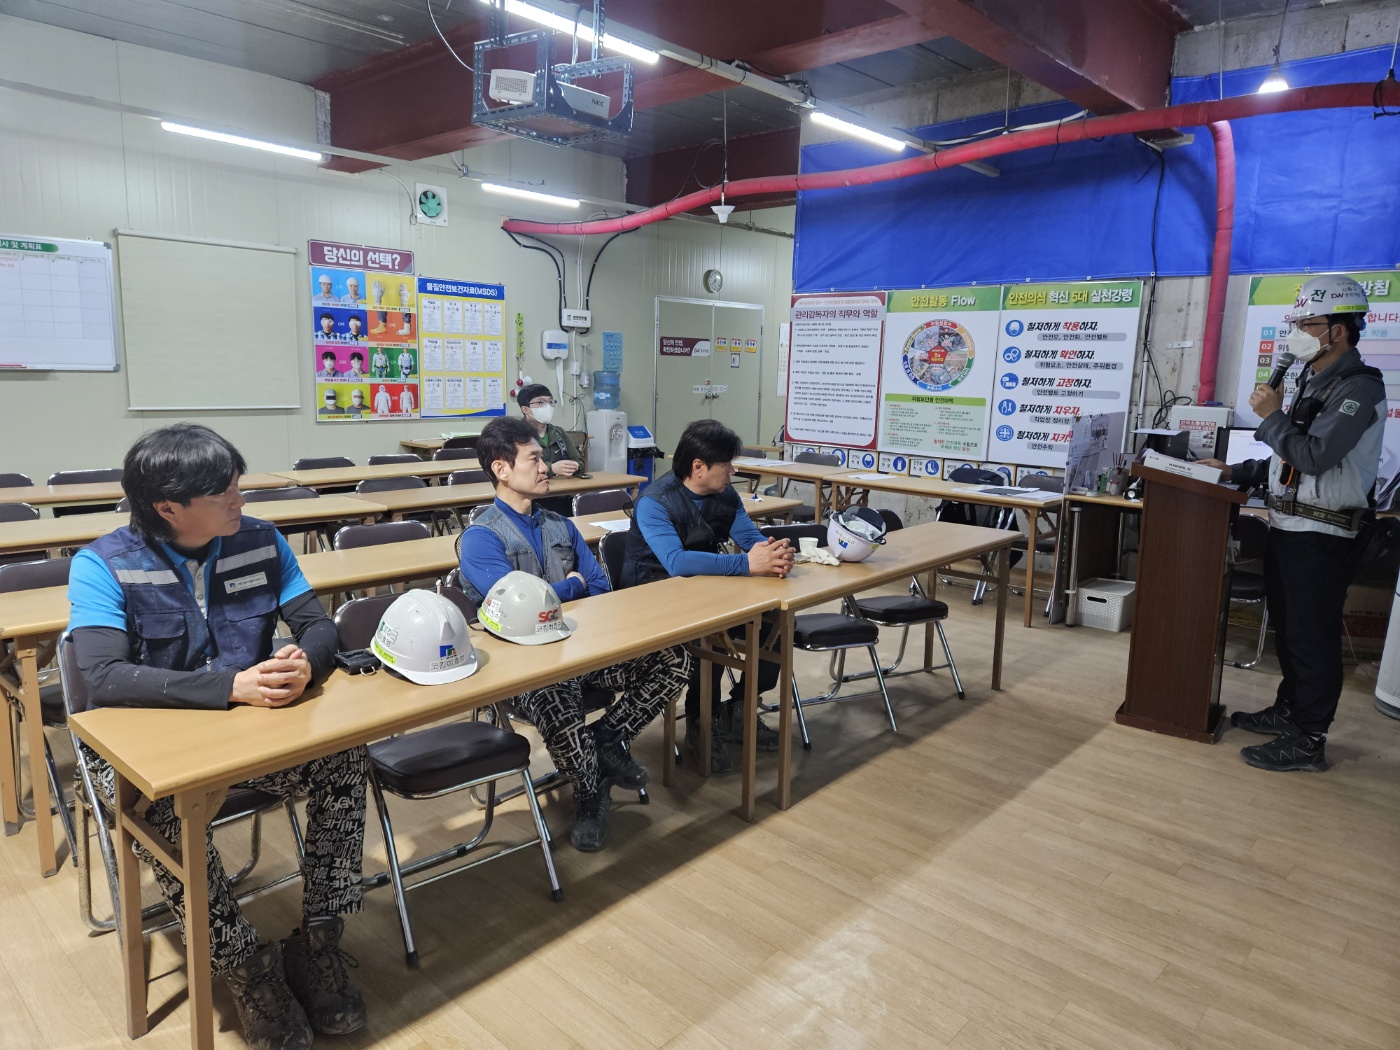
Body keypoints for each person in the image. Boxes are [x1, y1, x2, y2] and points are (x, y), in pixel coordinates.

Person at [67, 424, 368, 1050]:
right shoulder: (103, 565)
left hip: (247, 737)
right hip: (146, 755)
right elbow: (102, 676)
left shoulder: (261, 540)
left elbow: (319, 626)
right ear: (168, 507)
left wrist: (308, 664)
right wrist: (230, 686)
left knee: (343, 756)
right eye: (223, 493)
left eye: (237, 484)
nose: (240, 499)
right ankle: (245, 966)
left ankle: (318, 941)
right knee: (165, 813)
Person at [457, 417, 690, 851]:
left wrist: (568, 588)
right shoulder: (480, 538)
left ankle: (606, 740)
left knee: (674, 660)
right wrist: (571, 585)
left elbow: (599, 586)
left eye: (542, 458)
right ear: (501, 469)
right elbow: (513, 609)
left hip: (582, 651)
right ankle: (588, 793)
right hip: (525, 671)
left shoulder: (559, 525)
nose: (545, 466)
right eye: (534, 459)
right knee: (555, 694)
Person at [1200, 275, 1385, 773]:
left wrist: (1270, 417)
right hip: (1289, 527)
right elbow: (1288, 462)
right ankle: (1290, 710)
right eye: (1297, 322)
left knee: (1311, 638)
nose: (1298, 332)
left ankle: (1309, 739)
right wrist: (1235, 471)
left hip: (1323, 536)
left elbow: (1315, 456)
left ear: (1338, 331)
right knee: (1289, 631)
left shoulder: (1359, 388)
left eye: (1308, 324)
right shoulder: (1312, 381)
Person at [621, 419, 793, 773]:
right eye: (726, 464)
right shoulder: (654, 502)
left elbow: (751, 540)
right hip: (650, 599)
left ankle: (739, 710)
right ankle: (701, 724)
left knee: (777, 620)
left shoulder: (725, 495)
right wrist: (747, 564)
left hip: (706, 592)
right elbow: (676, 562)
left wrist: (774, 554)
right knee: (712, 635)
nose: (733, 471)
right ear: (698, 467)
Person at [516, 383, 582, 478]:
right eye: (540, 402)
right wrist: (552, 468)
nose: (547, 406)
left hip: (561, 484)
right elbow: (518, 467)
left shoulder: (559, 432)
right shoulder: (516, 433)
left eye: (550, 402)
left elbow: (579, 461)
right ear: (525, 409)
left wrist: (574, 466)